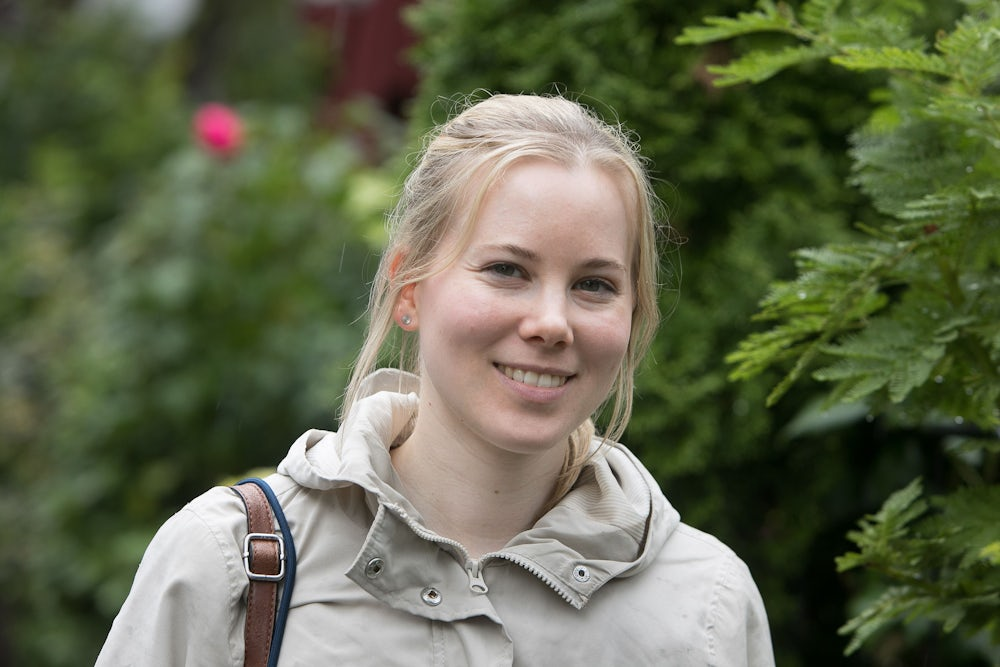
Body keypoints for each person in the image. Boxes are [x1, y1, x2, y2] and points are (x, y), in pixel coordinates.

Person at [97, 93, 775, 666]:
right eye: (507, 270)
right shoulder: (232, 566)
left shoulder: (707, 607)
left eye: (594, 284)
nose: (551, 322)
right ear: (409, 289)